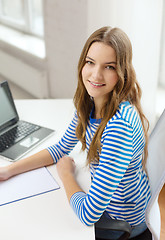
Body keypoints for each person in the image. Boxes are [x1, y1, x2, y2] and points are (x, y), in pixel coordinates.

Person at [0, 26, 151, 239]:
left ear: (122, 72)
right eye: (90, 62)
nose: (96, 75)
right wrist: (10, 170)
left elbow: (88, 215)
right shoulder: (91, 102)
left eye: (109, 67)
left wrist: (66, 174)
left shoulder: (120, 126)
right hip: (108, 201)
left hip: (121, 220)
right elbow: (60, 148)